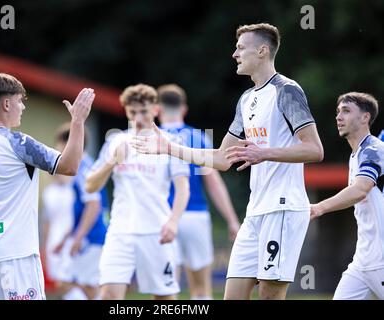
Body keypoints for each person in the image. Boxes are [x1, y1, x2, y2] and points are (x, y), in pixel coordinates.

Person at [131, 23, 324, 300]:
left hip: (283, 208)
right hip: (255, 212)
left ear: (262, 50)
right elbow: (222, 159)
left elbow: (315, 150)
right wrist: (169, 147)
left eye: (240, 48)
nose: (234, 54)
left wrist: (263, 153)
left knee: (269, 296)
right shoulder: (246, 99)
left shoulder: (287, 90)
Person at [0, 73, 94, 300]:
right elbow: (70, 166)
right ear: (6, 104)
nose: (23, 107)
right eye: (19, 101)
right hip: (17, 253)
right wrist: (78, 122)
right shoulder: (18, 143)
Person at [86, 84, 190, 300]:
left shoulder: (170, 142)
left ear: (155, 110)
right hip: (120, 232)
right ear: (126, 112)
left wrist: (173, 221)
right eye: (133, 112)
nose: (138, 117)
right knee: (108, 296)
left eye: (143, 111)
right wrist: (111, 163)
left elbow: (183, 187)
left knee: (165, 299)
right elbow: (90, 186)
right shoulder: (116, 141)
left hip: (156, 231)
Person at [157, 84, 241, 300]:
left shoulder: (151, 140)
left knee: (167, 289)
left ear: (157, 109)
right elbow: (213, 182)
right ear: (183, 109)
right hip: (196, 216)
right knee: (201, 289)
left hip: (162, 218)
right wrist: (232, 220)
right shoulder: (198, 138)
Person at [311, 92, 383, 300]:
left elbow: (361, 189)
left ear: (365, 117)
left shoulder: (373, 150)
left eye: (346, 111)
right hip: (362, 262)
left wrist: (319, 207)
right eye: (338, 112)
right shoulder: (357, 154)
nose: (338, 117)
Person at [53, 123, 108, 300]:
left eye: (60, 145)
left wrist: (78, 237)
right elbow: (81, 210)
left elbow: (93, 206)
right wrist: (66, 238)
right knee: (76, 284)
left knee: (83, 285)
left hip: (91, 238)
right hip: (85, 236)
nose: (58, 149)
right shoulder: (82, 167)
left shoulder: (85, 168)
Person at [41, 126, 79, 300]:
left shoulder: (76, 185)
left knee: (76, 281)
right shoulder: (49, 192)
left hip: (73, 237)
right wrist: (46, 244)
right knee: (60, 283)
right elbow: (47, 220)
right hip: (55, 239)